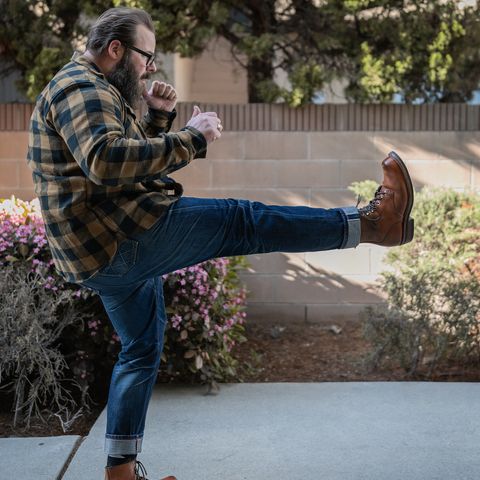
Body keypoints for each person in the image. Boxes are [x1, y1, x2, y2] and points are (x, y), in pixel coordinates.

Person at [27, 7, 414, 480]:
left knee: (141, 348)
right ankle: (373, 224)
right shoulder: (80, 88)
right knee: (242, 221)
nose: (150, 67)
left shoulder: (94, 87)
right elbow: (105, 160)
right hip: (119, 241)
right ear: (116, 50)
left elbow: (118, 169)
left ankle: (120, 473)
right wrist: (191, 136)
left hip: (101, 249)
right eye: (146, 56)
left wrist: (158, 117)